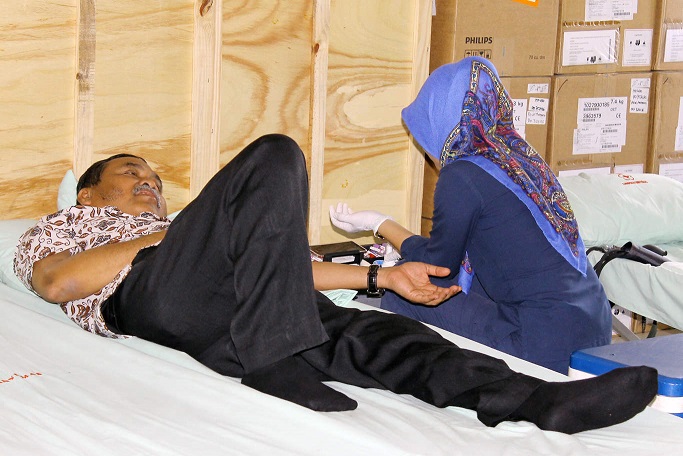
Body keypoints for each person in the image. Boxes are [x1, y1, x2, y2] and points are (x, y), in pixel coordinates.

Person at [14, 134, 656, 434]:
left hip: (257, 308)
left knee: (397, 341)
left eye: (155, 180)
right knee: (275, 154)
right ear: (90, 192)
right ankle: (271, 356)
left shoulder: (184, 224)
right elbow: (59, 282)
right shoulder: (66, 226)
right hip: (160, 296)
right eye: (132, 173)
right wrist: (172, 232)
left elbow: (282, 266)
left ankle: (538, 402)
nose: (149, 183)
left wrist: (382, 275)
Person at [330, 57, 612, 374]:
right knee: (464, 280)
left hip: (544, 346)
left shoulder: (462, 175)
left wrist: (381, 225)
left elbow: (438, 270)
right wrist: (384, 227)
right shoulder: (517, 156)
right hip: (594, 330)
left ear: (441, 126)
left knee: (404, 292)